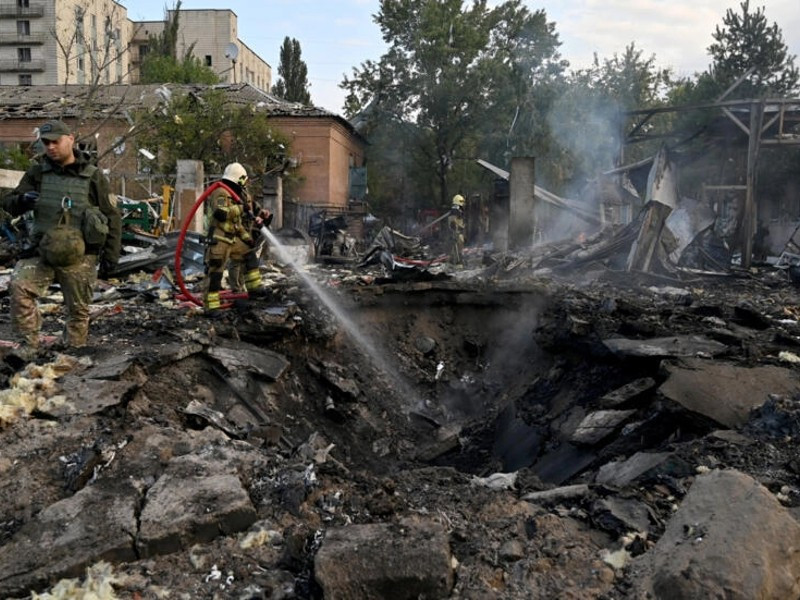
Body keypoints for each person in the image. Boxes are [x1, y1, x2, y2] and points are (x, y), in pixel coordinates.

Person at [1, 119, 121, 353]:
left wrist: (111, 257)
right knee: (19, 287)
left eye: (55, 142)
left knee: (78, 311)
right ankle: (29, 347)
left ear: (70, 139)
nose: (50, 147)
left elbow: (112, 216)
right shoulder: (37, 172)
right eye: (46, 143)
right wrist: (22, 201)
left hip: (80, 254)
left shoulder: (93, 176)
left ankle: (71, 353)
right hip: (42, 250)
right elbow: (9, 203)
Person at [203, 162, 269, 311]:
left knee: (249, 254)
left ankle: (254, 289)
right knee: (215, 274)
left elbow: (236, 224)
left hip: (232, 239)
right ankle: (210, 308)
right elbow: (221, 214)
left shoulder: (237, 194)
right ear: (237, 179)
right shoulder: (220, 192)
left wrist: (247, 238)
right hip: (219, 240)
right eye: (243, 180)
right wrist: (241, 208)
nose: (244, 184)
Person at [447, 194, 466, 265]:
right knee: (456, 247)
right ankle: (457, 262)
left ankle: (454, 261)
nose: (463, 203)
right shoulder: (455, 210)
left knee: (457, 248)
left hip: (458, 231)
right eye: (461, 201)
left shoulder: (458, 210)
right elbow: (452, 221)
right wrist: (455, 229)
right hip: (456, 232)